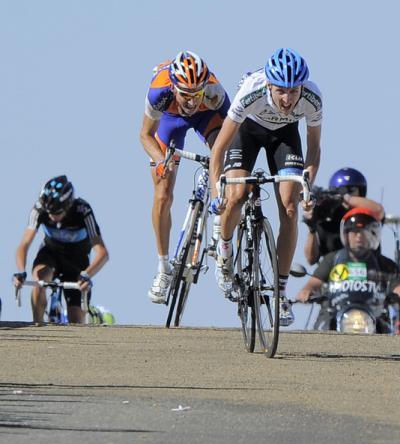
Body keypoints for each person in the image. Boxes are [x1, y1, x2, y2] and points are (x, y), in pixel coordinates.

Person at [209, 47, 322, 326]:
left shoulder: (312, 97)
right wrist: (216, 192)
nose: (287, 99)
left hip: (285, 137)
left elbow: (314, 149)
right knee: (235, 195)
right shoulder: (251, 90)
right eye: (281, 91)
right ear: (269, 85)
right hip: (247, 131)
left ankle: (281, 294)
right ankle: (224, 251)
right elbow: (219, 149)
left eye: (293, 91)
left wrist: (307, 185)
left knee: (290, 208)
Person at [140, 50, 230, 303]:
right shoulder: (160, 91)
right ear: (174, 87)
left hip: (206, 117)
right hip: (170, 120)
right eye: (185, 95)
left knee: (220, 153)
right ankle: (163, 268)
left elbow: (233, 129)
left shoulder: (214, 90)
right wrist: (160, 162)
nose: (191, 102)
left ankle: (218, 228)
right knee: (162, 194)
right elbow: (145, 135)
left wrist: (222, 162)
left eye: (196, 95)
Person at [13, 175, 109, 324]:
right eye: (49, 212)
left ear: (68, 206)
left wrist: (87, 275)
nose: (51, 217)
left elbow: (102, 253)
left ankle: (93, 316)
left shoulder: (83, 211)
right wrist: (20, 271)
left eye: (56, 213)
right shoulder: (39, 208)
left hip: (77, 261)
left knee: (75, 320)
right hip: (51, 253)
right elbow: (24, 244)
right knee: (39, 278)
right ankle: (37, 324)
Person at [296, 208, 400, 331]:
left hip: (373, 316)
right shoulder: (332, 259)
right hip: (334, 313)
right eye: (354, 231)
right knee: (321, 333)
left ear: (373, 235)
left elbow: (397, 287)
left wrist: (395, 296)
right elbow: (313, 284)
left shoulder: (385, 265)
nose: (359, 236)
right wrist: (306, 292)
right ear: (346, 234)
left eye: (364, 232)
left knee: (388, 336)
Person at [303, 167, 385, 265]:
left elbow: (379, 211)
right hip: (335, 275)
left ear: (361, 192)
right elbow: (311, 259)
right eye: (338, 191)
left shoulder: (368, 217)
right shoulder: (326, 220)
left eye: (351, 190)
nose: (346, 194)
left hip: (369, 273)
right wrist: (311, 228)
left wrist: (343, 198)